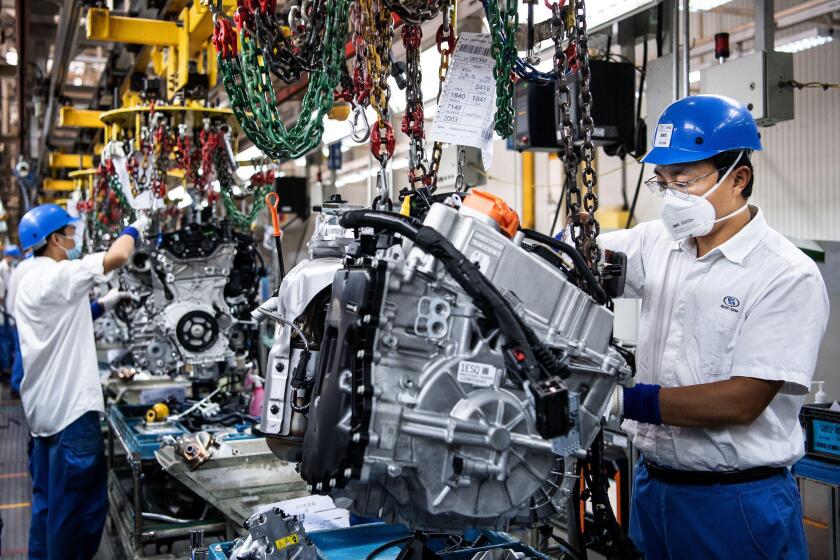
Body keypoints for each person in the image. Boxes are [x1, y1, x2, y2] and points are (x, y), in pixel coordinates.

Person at [600, 95, 829, 559]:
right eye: (662, 182)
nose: (671, 196)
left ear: (738, 177)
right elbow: (576, 258)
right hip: (654, 488)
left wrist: (622, 400)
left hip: (737, 504)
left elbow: (741, 401)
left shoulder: (786, 274)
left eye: (683, 180)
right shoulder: (658, 242)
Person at [15, 204, 146, 560]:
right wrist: (136, 226)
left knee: (46, 504)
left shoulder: (22, 275)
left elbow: (60, 317)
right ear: (54, 239)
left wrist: (106, 302)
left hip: (41, 413)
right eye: (70, 233)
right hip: (72, 411)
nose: (74, 238)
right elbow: (118, 255)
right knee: (77, 513)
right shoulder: (60, 276)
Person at [0, 244, 21, 377]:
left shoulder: (11, 268)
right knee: (4, 342)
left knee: (9, 342)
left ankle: (8, 367)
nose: (15, 259)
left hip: (7, 311)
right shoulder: (1, 270)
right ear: (7, 256)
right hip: (3, 312)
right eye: (13, 257)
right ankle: (5, 369)